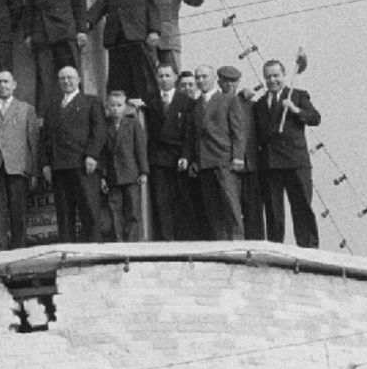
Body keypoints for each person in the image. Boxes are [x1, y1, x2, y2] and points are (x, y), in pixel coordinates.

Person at [254, 56, 323, 248]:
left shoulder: (298, 95)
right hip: (271, 164)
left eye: (276, 76)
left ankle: (308, 248)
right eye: (268, 77)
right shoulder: (259, 104)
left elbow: (315, 118)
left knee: (301, 207)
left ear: (284, 75)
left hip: (295, 162)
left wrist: (295, 110)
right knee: (274, 211)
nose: (272, 81)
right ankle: (276, 248)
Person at [0, 68, 42, 252]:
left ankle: (19, 254)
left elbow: (33, 143)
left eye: (6, 82)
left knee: (18, 214)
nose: (2, 86)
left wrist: (34, 171)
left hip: (18, 167)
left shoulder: (26, 109)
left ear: (14, 85)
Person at [23, 0, 89, 111]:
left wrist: (82, 30)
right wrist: (28, 35)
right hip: (42, 36)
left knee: (71, 75)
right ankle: (44, 119)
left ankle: (78, 111)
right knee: (44, 80)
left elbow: (79, 3)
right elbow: (29, 8)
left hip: (65, 33)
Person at [193, 64, 256, 240]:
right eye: (197, 77)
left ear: (214, 79)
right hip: (204, 162)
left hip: (225, 160)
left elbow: (238, 131)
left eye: (204, 76)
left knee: (231, 205)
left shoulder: (228, 100)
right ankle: (219, 243)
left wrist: (237, 157)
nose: (200, 80)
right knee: (212, 208)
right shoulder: (196, 104)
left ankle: (237, 242)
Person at [46, 64, 107, 243]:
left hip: (83, 164)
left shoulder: (91, 102)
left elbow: (99, 130)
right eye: (62, 78)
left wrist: (92, 155)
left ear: (79, 79)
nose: (66, 81)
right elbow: (45, 139)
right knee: (64, 214)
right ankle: (68, 252)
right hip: (59, 166)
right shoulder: (52, 107)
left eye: (70, 77)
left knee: (89, 210)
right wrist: (46, 164)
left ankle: (94, 249)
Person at [88, 0, 157, 102]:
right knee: (117, 80)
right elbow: (99, 7)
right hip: (116, 40)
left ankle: (143, 112)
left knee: (141, 79)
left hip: (137, 38)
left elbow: (155, 7)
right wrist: (86, 23)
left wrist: (154, 30)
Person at [147, 63, 205, 241]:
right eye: (161, 76)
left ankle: (186, 241)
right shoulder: (150, 100)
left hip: (178, 158)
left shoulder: (187, 102)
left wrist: (186, 156)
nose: (164, 79)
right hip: (157, 158)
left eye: (167, 76)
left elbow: (190, 133)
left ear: (175, 78)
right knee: (161, 201)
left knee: (182, 201)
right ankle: (166, 240)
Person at [100, 87, 150, 242]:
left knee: (133, 210)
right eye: (112, 105)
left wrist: (143, 171)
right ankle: (119, 242)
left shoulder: (133, 124)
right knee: (115, 209)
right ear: (107, 107)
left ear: (125, 107)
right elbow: (101, 152)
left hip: (131, 173)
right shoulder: (104, 125)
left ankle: (133, 242)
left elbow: (140, 148)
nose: (115, 109)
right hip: (112, 174)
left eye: (119, 105)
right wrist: (102, 175)